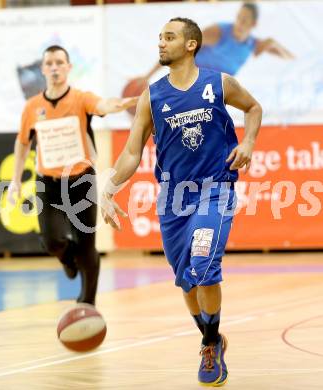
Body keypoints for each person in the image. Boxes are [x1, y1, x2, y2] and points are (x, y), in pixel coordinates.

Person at [101, 18, 262, 386]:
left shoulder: (217, 83)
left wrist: (249, 142)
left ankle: (209, 344)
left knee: (204, 264)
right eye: (159, 37)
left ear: (191, 45)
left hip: (214, 189)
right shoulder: (152, 96)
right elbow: (130, 152)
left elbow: (253, 108)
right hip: (173, 199)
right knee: (187, 281)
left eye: (169, 37)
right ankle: (210, 335)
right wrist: (109, 187)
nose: (161, 43)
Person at [7, 45, 138, 306]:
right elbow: (22, 143)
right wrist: (14, 180)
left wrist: (121, 104)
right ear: (43, 69)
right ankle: (67, 258)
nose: (54, 67)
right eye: (49, 63)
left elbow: (104, 104)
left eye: (59, 62)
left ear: (68, 67)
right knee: (51, 241)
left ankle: (87, 303)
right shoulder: (32, 107)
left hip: (81, 180)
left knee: (87, 244)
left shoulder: (80, 98)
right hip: (48, 182)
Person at [135, 2, 293, 85]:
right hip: (192, 79)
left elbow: (291, 59)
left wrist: (274, 43)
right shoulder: (217, 33)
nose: (239, 23)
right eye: (239, 17)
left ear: (254, 25)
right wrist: (148, 76)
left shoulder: (253, 44)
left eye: (244, 20)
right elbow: (178, 49)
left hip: (216, 88)